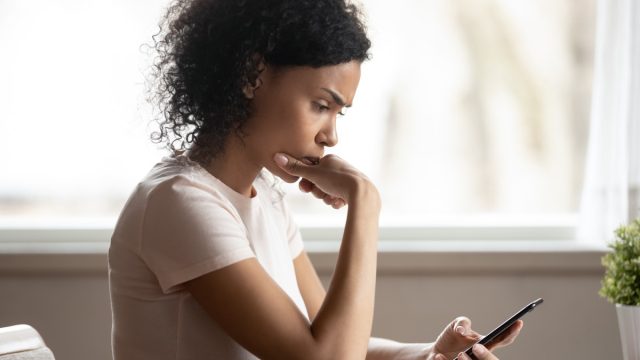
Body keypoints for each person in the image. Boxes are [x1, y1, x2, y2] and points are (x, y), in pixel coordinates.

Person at [108, 0, 523, 359]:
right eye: (321, 105)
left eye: (338, 113)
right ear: (252, 74)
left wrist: (431, 354)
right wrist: (365, 201)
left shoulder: (265, 198)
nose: (331, 136)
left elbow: (332, 342)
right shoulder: (179, 202)